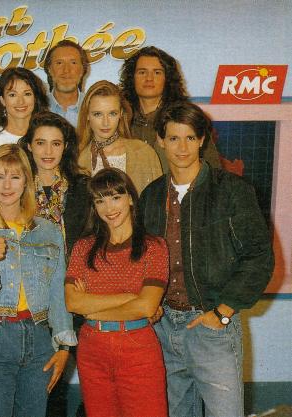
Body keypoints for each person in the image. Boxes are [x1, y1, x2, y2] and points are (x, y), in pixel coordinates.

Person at [138, 101, 274, 417]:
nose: (182, 147)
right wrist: (149, 303)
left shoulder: (232, 190)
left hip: (212, 327)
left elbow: (259, 256)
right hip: (163, 326)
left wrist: (223, 312)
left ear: (202, 139)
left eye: (190, 137)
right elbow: (143, 258)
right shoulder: (151, 195)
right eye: (173, 138)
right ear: (160, 140)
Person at [0, 144, 76, 417]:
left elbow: (58, 291)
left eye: (15, 177)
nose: (7, 185)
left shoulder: (48, 231)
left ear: (26, 182)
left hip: (40, 338)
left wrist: (64, 346)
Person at [65, 168, 168, 417]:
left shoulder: (154, 247)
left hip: (137, 349)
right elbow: (72, 302)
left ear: (130, 198)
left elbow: (146, 307)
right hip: (92, 351)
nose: (108, 208)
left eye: (115, 197)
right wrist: (129, 298)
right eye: (100, 201)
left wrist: (93, 310)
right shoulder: (83, 247)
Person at [119, 46, 221, 171]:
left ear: (167, 78)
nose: (149, 78)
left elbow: (214, 170)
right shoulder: (119, 118)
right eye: (142, 72)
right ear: (132, 77)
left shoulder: (186, 118)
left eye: (157, 72)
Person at [18, 111, 92, 258]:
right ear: (29, 146)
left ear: (65, 146)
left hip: (73, 268)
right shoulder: (18, 188)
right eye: (40, 143)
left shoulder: (83, 187)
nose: (48, 151)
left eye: (56, 144)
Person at [77, 80, 162, 194]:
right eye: (98, 114)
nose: (106, 122)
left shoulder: (144, 153)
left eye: (112, 113)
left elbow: (158, 200)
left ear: (121, 113)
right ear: (87, 115)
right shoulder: (78, 161)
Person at [0, 67, 48, 175]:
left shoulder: (48, 139)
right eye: (12, 95)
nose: (20, 101)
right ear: (2, 100)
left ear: (35, 98)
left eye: (27, 94)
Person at [43, 39, 90, 127]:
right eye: (59, 63)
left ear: (82, 70)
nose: (66, 70)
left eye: (73, 63)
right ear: (49, 69)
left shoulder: (93, 106)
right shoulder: (35, 107)